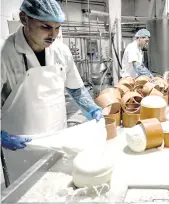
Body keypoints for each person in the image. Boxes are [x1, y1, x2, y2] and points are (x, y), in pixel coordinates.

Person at [1, 0, 103, 151]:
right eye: (45, 27)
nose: (53, 35)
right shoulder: (5, 53)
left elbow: (76, 89)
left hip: (57, 138)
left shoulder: (61, 51)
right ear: (24, 19)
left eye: (57, 28)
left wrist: (92, 108)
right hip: (20, 145)